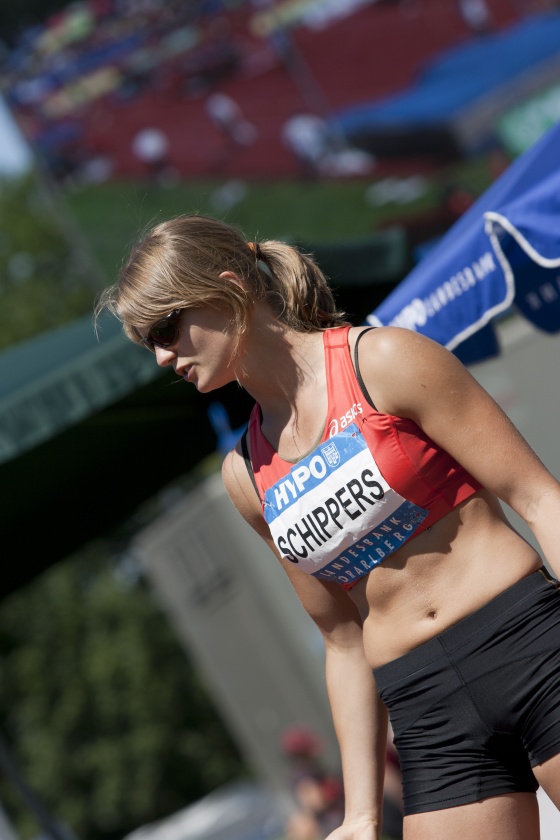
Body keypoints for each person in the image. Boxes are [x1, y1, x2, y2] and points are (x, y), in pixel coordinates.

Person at [94, 214, 560, 840]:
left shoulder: (385, 360)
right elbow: (342, 640)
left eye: (166, 327)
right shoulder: (247, 475)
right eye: (147, 340)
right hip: (425, 707)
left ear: (229, 289)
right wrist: (362, 813)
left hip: (528, 645)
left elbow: (538, 498)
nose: (160, 355)